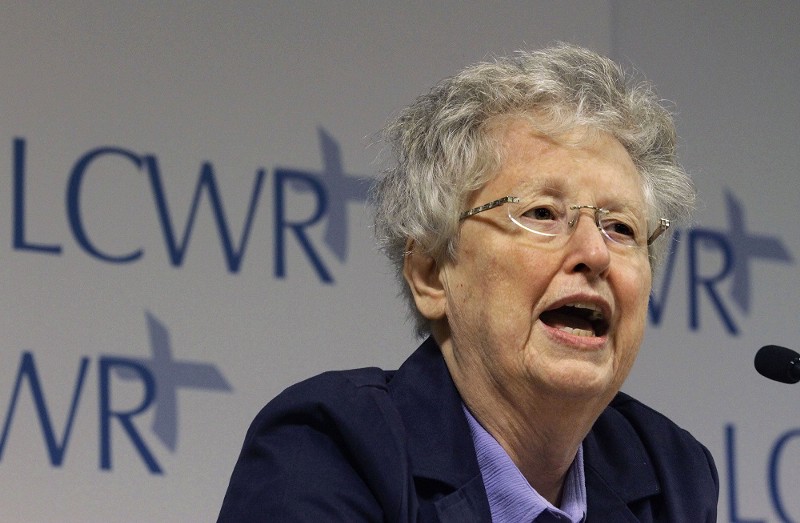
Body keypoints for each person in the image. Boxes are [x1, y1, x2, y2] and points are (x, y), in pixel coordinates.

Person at [218, 43, 718, 522]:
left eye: (621, 228)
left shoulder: (671, 475)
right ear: (431, 273)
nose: (594, 253)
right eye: (543, 213)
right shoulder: (331, 448)